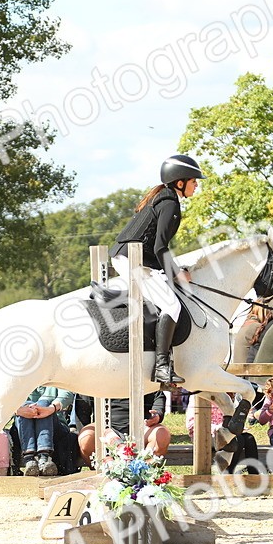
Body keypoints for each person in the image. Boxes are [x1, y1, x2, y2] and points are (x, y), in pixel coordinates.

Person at [110, 153, 205, 385]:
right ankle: (161, 367)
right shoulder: (169, 203)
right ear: (180, 182)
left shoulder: (164, 198)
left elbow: (157, 249)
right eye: (193, 181)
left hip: (134, 258)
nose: (196, 185)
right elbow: (160, 247)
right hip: (131, 259)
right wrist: (176, 274)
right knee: (172, 306)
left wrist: (173, 270)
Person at [185, 395, 260, 474]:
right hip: (204, 435)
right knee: (237, 439)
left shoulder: (224, 397)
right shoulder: (197, 397)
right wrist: (218, 429)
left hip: (224, 433)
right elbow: (192, 424)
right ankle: (228, 475)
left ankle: (255, 476)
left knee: (249, 438)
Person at [16, 386, 75, 477]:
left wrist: (51, 409)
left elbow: (67, 395)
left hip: (56, 429)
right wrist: (18, 410)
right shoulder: (19, 380)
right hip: (23, 427)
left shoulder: (55, 378)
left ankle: (43, 458)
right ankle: (31, 459)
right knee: (25, 405)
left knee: (44, 403)